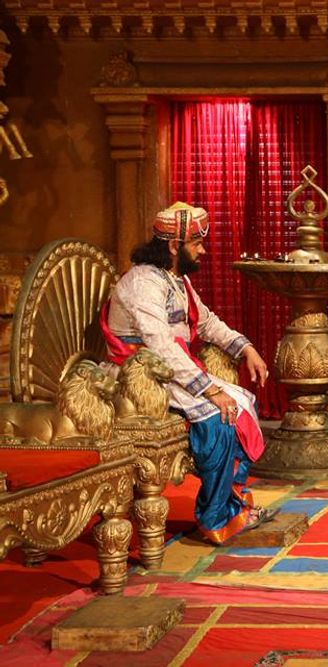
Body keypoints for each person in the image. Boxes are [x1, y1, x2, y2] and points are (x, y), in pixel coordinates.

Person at [101, 201, 277, 544]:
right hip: (138, 375)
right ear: (173, 246)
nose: (202, 250)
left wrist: (246, 349)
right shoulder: (143, 283)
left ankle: (231, 502)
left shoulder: (174, 279)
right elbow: (160, 345)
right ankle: (215, 518)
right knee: (220, 418)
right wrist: (211, 391)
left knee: (244, 403)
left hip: (166, 369)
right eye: (196, 243)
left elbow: (206, 322)